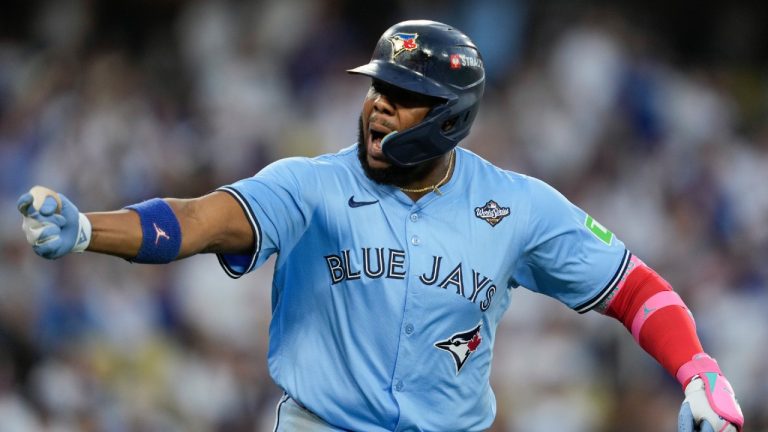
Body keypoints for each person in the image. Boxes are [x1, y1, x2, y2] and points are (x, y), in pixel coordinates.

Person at [17, 20, 743, 432]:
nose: (379, 107)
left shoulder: (517, 205)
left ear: (452, 117)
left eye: (405, 97)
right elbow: (196, 221)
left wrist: (697, 371)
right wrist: (89, 231)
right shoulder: (313, 184)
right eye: (378, 89)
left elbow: (634, 289)